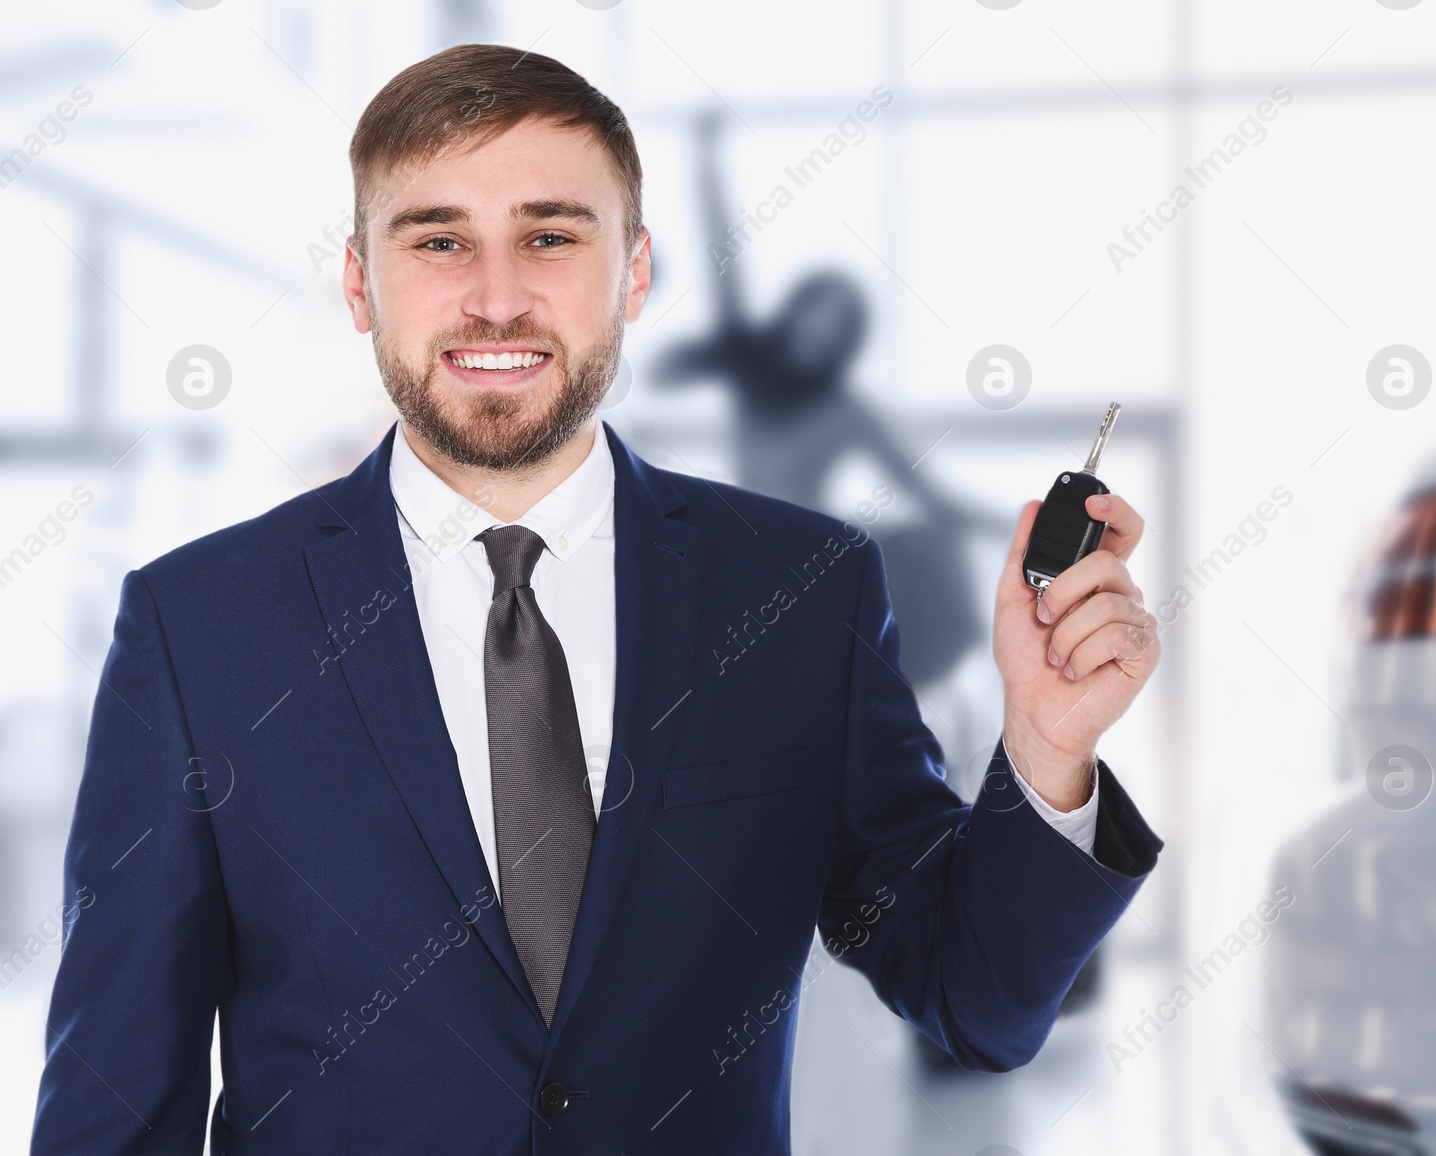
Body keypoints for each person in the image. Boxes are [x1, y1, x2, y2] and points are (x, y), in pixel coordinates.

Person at [31, 44, 1163, 1156]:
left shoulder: (798, 594)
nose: (497, 297)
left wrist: (1046, 750)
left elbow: (976, 1000)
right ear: (358, 282)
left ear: (633, 270)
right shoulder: (201, 626)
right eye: (438, 239)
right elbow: (116, 1100)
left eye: (549, 235)